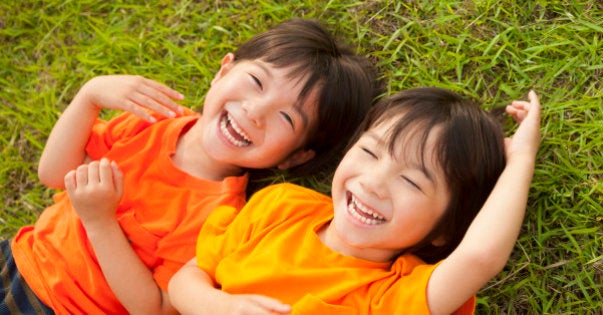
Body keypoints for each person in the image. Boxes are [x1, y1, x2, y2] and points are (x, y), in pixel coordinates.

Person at [0, 18, 380, 315]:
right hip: (16, 256)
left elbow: (155, 308)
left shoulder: (219, 216)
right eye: (255, 81)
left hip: (58, 306)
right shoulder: (149, 120)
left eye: (286, 118)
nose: (254, 111)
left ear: (295, 157)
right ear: (223, 70)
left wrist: (100, 222)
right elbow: (53, 174)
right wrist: (89, 96)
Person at [167, 87, 542, 314]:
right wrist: (218, 307)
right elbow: (188, 277)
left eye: (411, 182)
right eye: (371, 153)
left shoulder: (390, 296)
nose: (374, 183)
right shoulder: (279, 206)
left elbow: (480, 257)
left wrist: (521, 159)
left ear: (443, 230)